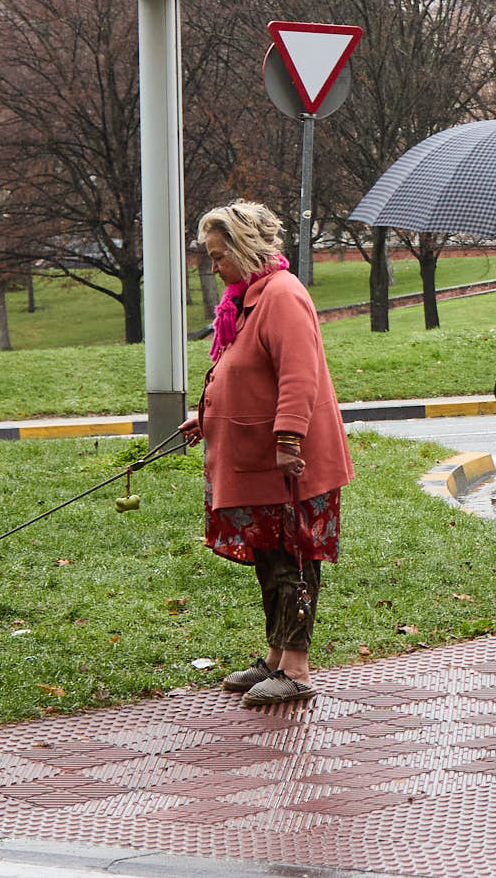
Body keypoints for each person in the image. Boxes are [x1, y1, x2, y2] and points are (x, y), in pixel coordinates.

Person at [179, 200, 353, 707]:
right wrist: (208, 416)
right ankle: (276, 657)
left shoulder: (282, 295)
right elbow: (245, 372)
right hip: (256, 458)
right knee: (269, 556)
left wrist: (287, 440)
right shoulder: (248, 299)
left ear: (243, 247)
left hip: (288, 460)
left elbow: (300, 375)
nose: (213, 267)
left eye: (217, 256)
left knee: (293, 557)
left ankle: (296, 669)